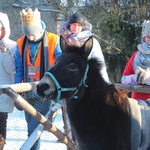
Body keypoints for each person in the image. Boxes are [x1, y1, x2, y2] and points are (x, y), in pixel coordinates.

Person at [15, 8, 62, 150]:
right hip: (27, 92)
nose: (31, 37)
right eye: (27, 34)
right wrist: (17, 89)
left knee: (34, 128)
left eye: (33, 34)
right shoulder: (20, 43)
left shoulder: (54, 40)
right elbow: (19, 69)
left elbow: (61, 64)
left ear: (39, 28)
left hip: (44, 93)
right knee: (31, 127)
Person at [59, 11, 109, 83]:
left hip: (87, 78)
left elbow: (100, 63)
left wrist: (104, 83)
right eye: (74, 25)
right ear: (69, 25)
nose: (76, 27)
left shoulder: (91, 42)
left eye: (78, 25)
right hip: (67, 78)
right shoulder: (63, 40)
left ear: (82, 27)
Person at [121, 20, 150, 101]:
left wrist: (148, 78)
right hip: (137, 104)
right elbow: (123, 80)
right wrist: (135, 78)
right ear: (144, 38)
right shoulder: (136, 56)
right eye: (148, 37)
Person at [0, 12, 16, 150]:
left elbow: (11, 69)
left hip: (4, 91)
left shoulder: (12, 46)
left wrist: (5, 53)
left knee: (1, 123)